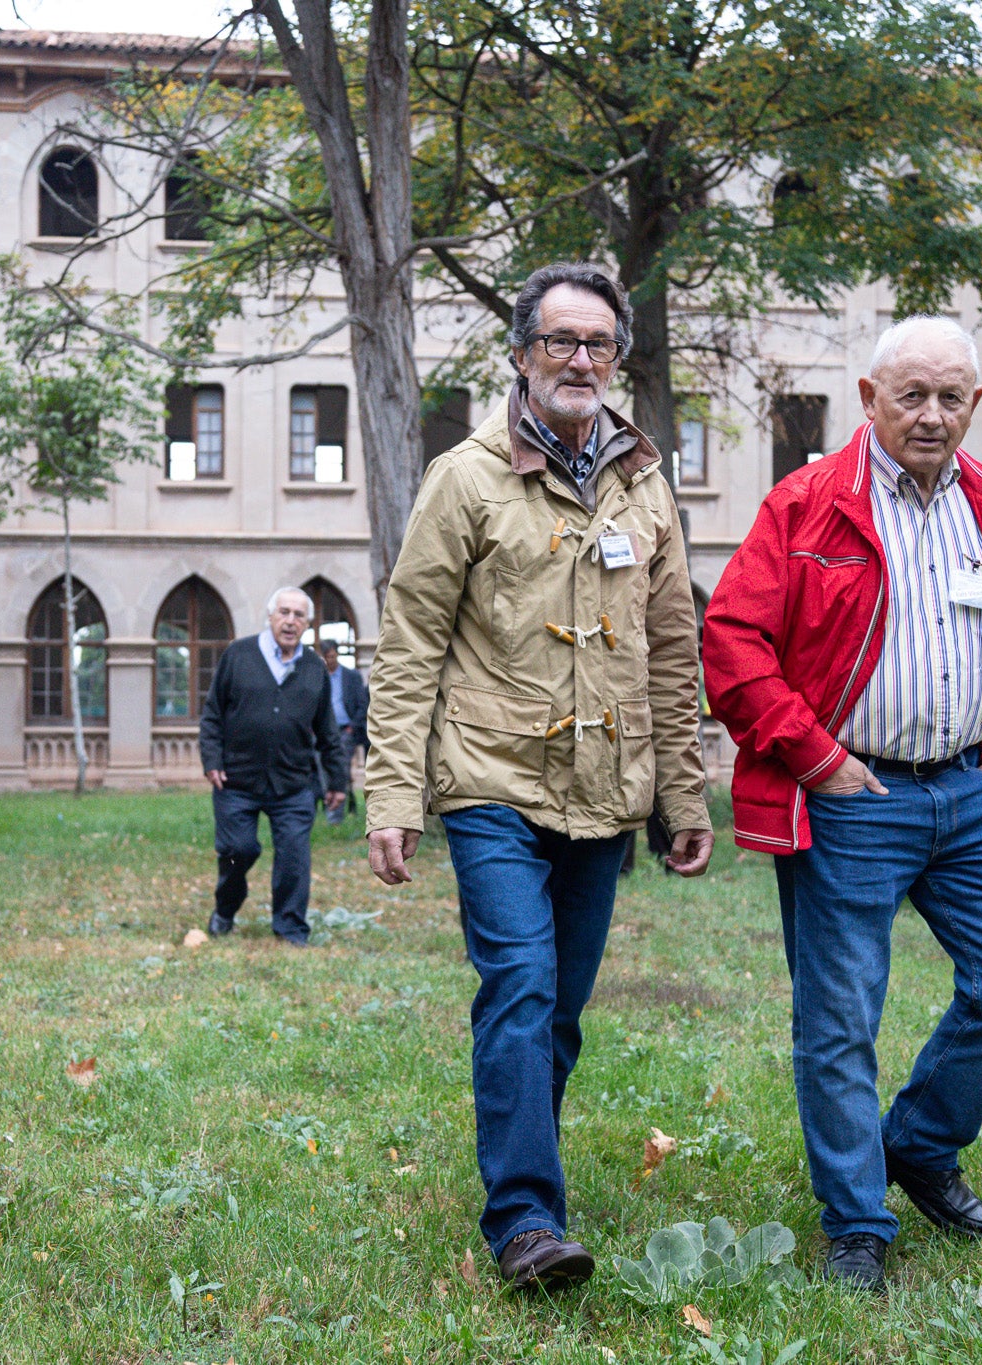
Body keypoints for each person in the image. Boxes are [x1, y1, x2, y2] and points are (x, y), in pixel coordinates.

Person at [365, 262, 713, 1292]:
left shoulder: (643, 483)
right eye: (560, 340)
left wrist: (682, 793)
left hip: (605, 789)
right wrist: (395, 794)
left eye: (598, 343)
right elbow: (411, 641)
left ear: (617, 359)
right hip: (492, 781)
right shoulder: (465, 478)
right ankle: (522, 1218)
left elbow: (670, 646)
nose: (579, 359)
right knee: (518, 983)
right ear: (520, 355)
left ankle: (527, 1170)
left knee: (558, 1010)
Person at [701, 315, 982, 1294]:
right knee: (839, 1021)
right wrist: (814, 757)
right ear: (869, 399)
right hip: (852, 793)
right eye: (911, 396)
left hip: (975, 789)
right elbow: (731, 642)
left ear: (974, 403)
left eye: (950, 397)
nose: (931, 415)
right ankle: (857, 1222)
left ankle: (919, 1142)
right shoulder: (806, 504)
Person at [200, 587, 348, 945]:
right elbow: (213, 714)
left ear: (307, 624)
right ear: (270, 616)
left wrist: (337, 781)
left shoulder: (314, 667)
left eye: (299, 615)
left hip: (293, 783)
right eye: (284, 612)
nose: (290, 621)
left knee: (294, 859)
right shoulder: (238, 655)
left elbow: (327, 729)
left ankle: (291, 929)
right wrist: (212, 760)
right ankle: (225, 910)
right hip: (236, 780)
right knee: (238, 851)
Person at [316, 637, 369, 825]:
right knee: (324, 772)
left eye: (332, 656)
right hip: (323, 732)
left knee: (342, 771)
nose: (330, 660)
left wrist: (351, 727)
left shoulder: (351, 676)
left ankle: (336, 818)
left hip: (345, 731)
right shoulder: (318, 678)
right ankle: (331, 813)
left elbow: (362, 704)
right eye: (326, 657)